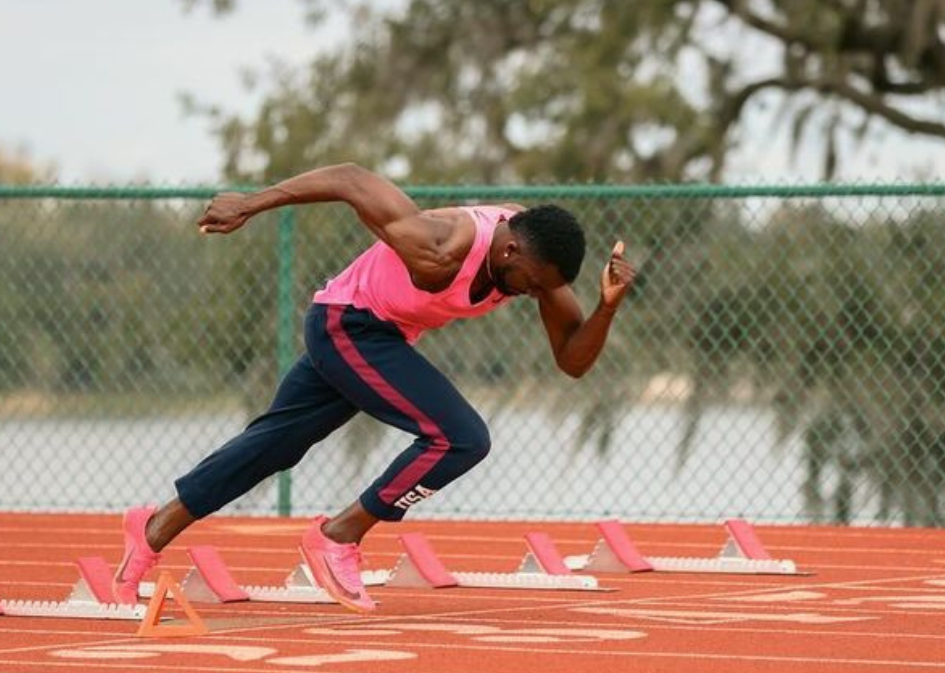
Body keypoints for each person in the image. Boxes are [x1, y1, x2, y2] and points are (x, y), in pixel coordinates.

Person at [112, 162, 637, 612]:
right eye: (533, 283)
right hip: (347, 325)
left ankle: (153, 528)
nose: (534, 296)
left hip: (378, 334)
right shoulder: (442, 245)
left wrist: (607, 308)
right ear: (510, 250)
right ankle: (337, 535)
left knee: (275, 444)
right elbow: (349, 178)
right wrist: (251, 204)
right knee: (461, 438)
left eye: (547, 288)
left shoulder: (534, 261)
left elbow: (572, 360)